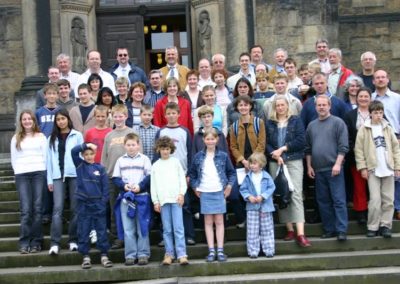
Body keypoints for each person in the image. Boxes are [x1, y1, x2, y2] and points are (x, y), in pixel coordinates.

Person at [265, 95, 311, 247]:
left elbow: (301, 140)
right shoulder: (270, 123)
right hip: (275, 162)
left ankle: (300, 233)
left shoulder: (295, 121)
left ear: (287, 106)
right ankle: (289, 228)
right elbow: (266, 143)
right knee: (282, 194)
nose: (280, 108)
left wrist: (283, 149)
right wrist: (275, 155)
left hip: (293, 160)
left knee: (296, 193)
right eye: (277, 105)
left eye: (282, 105)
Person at [305, 95, 349, 241]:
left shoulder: (338, 122)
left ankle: (341, 230)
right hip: (318, 170)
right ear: (316, 107)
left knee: (338, 200)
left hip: (334, 168)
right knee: (323, 201)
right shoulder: (311, 125)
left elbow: (343, 146)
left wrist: (338, 164)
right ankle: (329, 229)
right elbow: (308, 148)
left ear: (329, 106)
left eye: (324, 105)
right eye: (319, 105)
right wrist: (309, 166)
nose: (322, 107)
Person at [189, 128, 236, 262]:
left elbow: (231, 173)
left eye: (212, 139)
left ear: (217, 140)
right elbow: (192, 175)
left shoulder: (223, 156)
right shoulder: (198, 156)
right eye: (207, 139)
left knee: (220, 221)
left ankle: (220, 250)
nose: (210, 141)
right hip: (205, 191)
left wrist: (229, 186)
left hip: (219, 191)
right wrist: (194, 187)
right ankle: (211, 250)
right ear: (204, 140)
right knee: (208, 222)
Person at [355, 100, 400, 238]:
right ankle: (373, 226)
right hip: (373, 169)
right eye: (376, 113)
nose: (379, 115)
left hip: (388, 168)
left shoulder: (387, 127)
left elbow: (395, 148)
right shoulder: (365, 128)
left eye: (381, 112)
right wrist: (362, 167)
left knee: (388, 199)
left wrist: (397, 167)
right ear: (370, 113)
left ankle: (385, 225)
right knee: (375, 200)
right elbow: (359, 149)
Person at [154, 102, 195, 246]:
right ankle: (164, 237)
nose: (171, 116)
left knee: (185, 205)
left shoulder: (185, 131)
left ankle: (188, 235)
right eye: (168, 113)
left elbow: (190, 153)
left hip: (182, 174)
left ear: (179, 114)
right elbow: (156, 154)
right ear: (164, 115)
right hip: (165, 176)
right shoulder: (161, 132)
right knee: (165, 206)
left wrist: (189, 173)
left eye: (174, 113)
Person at [46, 109, 83, 254]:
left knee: (75, 209)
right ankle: (55, 242)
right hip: (57, 176)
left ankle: (73, 240)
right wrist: (49, 179)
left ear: (68, 119)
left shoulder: (77, 135)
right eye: (58, 119)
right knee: (57, 209)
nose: (61, 121)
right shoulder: (51, 138)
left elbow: (82, 156)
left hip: (74, 175)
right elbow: (48, 161)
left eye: (63, 118)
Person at [71, 143, 113, 269]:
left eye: (91, 154)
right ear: (83, 156)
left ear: (95, 154)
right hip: (83, 204)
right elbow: (73, 151)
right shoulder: (80, 165)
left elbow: (106, 188)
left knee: (101, 230)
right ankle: (85, 256)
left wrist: (103, 202)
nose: (89, 156)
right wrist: (86, 145)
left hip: (98, 204)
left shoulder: (100, 168)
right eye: (86, 154)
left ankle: (104, 255)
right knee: (83, 230)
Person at [112, 133, 152, 265]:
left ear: (138, 145)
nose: (131, 147)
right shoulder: (120, 160)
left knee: (142, 226)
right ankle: (130, 255)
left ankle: (143, 254)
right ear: (124, 146)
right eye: (128, 145)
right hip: (126, 198)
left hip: (141, 197)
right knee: (128, 228)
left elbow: (149, 177)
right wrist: (124, 186)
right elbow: (116, 178)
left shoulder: (145, 159)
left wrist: (140, 187)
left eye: (133, 145)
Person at [11, 110, 47, 254]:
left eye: (29, 119)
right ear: (21, 122)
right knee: (26, 210)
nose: (27, 121)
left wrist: (43, 172)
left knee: (37, 209)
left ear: (33, 121)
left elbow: (45, 157)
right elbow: (14, 159)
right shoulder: (16, 138)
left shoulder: (41, 137)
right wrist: (18, 171)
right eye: (24, 119)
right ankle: (24, 242)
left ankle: (36, 242)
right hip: (22, 174)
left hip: (38, 172)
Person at [101, 104, 136, 249]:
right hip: (111, 177)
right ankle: (117, 238)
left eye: (121, 116)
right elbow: (104, 157)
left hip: (129, 177)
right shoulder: (109, 135)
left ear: (126, 117)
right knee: (114, 209)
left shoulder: (132, 133)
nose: (118, 119)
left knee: (131, 207)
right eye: (115, 116)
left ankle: (132, 236)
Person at [151, 136, 189, 265]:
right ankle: (169, 254)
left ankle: (182, 254)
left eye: (167, 149)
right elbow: (153, 185)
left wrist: (181, 194)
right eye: (162, 149)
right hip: (163, 201)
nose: (165, 151)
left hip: (176, 199)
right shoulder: (155, 165)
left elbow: (182, 180)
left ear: (171, 149)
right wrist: (155, 201)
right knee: (167, 229)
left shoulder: (176, 162)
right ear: (158, 150)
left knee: (178, 228)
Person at [371, 69, 400, 220]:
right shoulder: (369, 98)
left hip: (396, 138)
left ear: (388, 79)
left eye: (383, 77)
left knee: (397, 175)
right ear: (373, 81)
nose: (381, 80)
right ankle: (382, 211)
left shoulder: (397, 98)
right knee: (380, 175)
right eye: (377, 78)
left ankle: (398, 208)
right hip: (376, 141)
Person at [343, 87, 372, 225]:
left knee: (374, 187)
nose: (363, 99)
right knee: (359, 186)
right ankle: (361, 212)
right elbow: (347, 136)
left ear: (370, 98)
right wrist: (355, 150)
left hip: (375, 157)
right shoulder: (350, 115)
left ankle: (373, 212)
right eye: (361, 96)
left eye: (366, 96)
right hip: (356, 156)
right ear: (357, 98)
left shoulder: (377, 113)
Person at [239, 152, 275, 258]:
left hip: (265, 207)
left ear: (261, 164)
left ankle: (269, 249)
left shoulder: (266, 176)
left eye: (255, 163)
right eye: (251, 163)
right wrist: (249, 197)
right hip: (252, 207)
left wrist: (263, 196)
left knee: (267, 229)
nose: (252, 165)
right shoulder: (247, 177)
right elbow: (243, 189)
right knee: (252, 230)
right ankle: (253, 251)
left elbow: (271, 188)